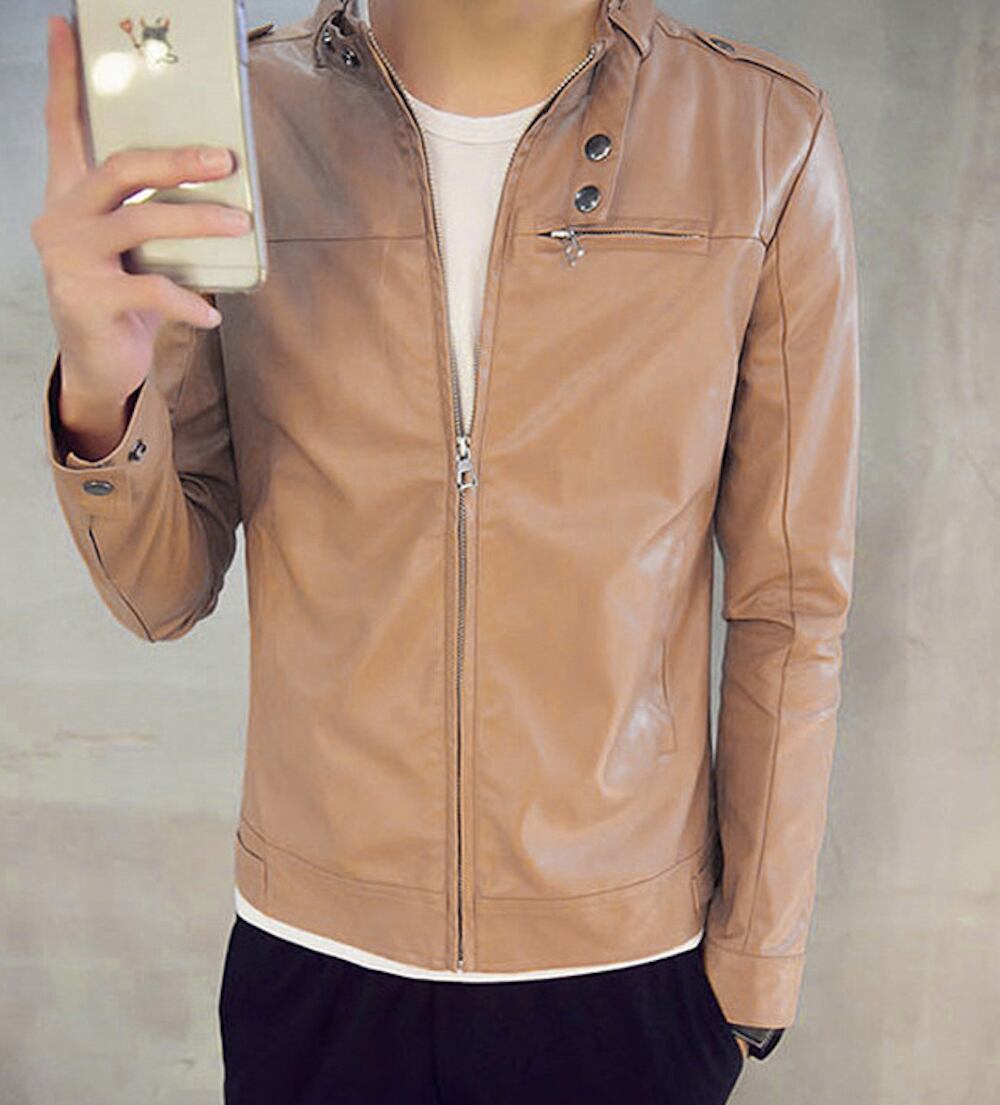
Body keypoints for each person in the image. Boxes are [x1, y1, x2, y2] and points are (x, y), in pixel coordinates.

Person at [32, 0, 860, 1101]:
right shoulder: (245, 127)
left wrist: (752, 965)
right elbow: (161, 590)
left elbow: (790, 604)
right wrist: (100, 392)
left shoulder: (759, 137)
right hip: (316, 961)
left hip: (626, 973)